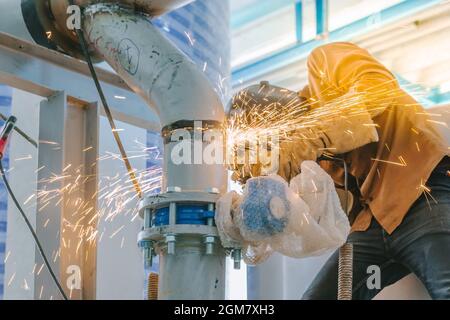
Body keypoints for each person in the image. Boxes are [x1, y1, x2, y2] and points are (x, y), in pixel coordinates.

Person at [229, 42, 450, 300]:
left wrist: (311, 138)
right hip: (373, 225)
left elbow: (378, 89)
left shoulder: (324, 63)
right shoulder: (315, 163)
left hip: (422, 192)